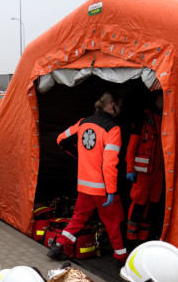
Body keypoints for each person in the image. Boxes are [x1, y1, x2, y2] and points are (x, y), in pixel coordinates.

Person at [49, 92, 128, 262]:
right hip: (103, 190)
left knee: (78, 219)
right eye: (119, 106)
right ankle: (121, 258)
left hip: (84, 187)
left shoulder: (83, 123)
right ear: (112, 105)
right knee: (113, 224)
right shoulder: (113, 129)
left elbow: (61, 139)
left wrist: (80, 155)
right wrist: (112, 191)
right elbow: (109, 164)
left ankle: (59, 245)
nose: (120, 110)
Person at [125, 90, 165, 241]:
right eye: (162, 98)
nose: (164, 102)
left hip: (158, 174)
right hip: (142, 173)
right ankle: (130, 240)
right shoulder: (143, 117)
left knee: (152, 208)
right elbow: (132, 145)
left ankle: (143, 238)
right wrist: (130, 169)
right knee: (138, 205)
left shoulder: (165, 119)